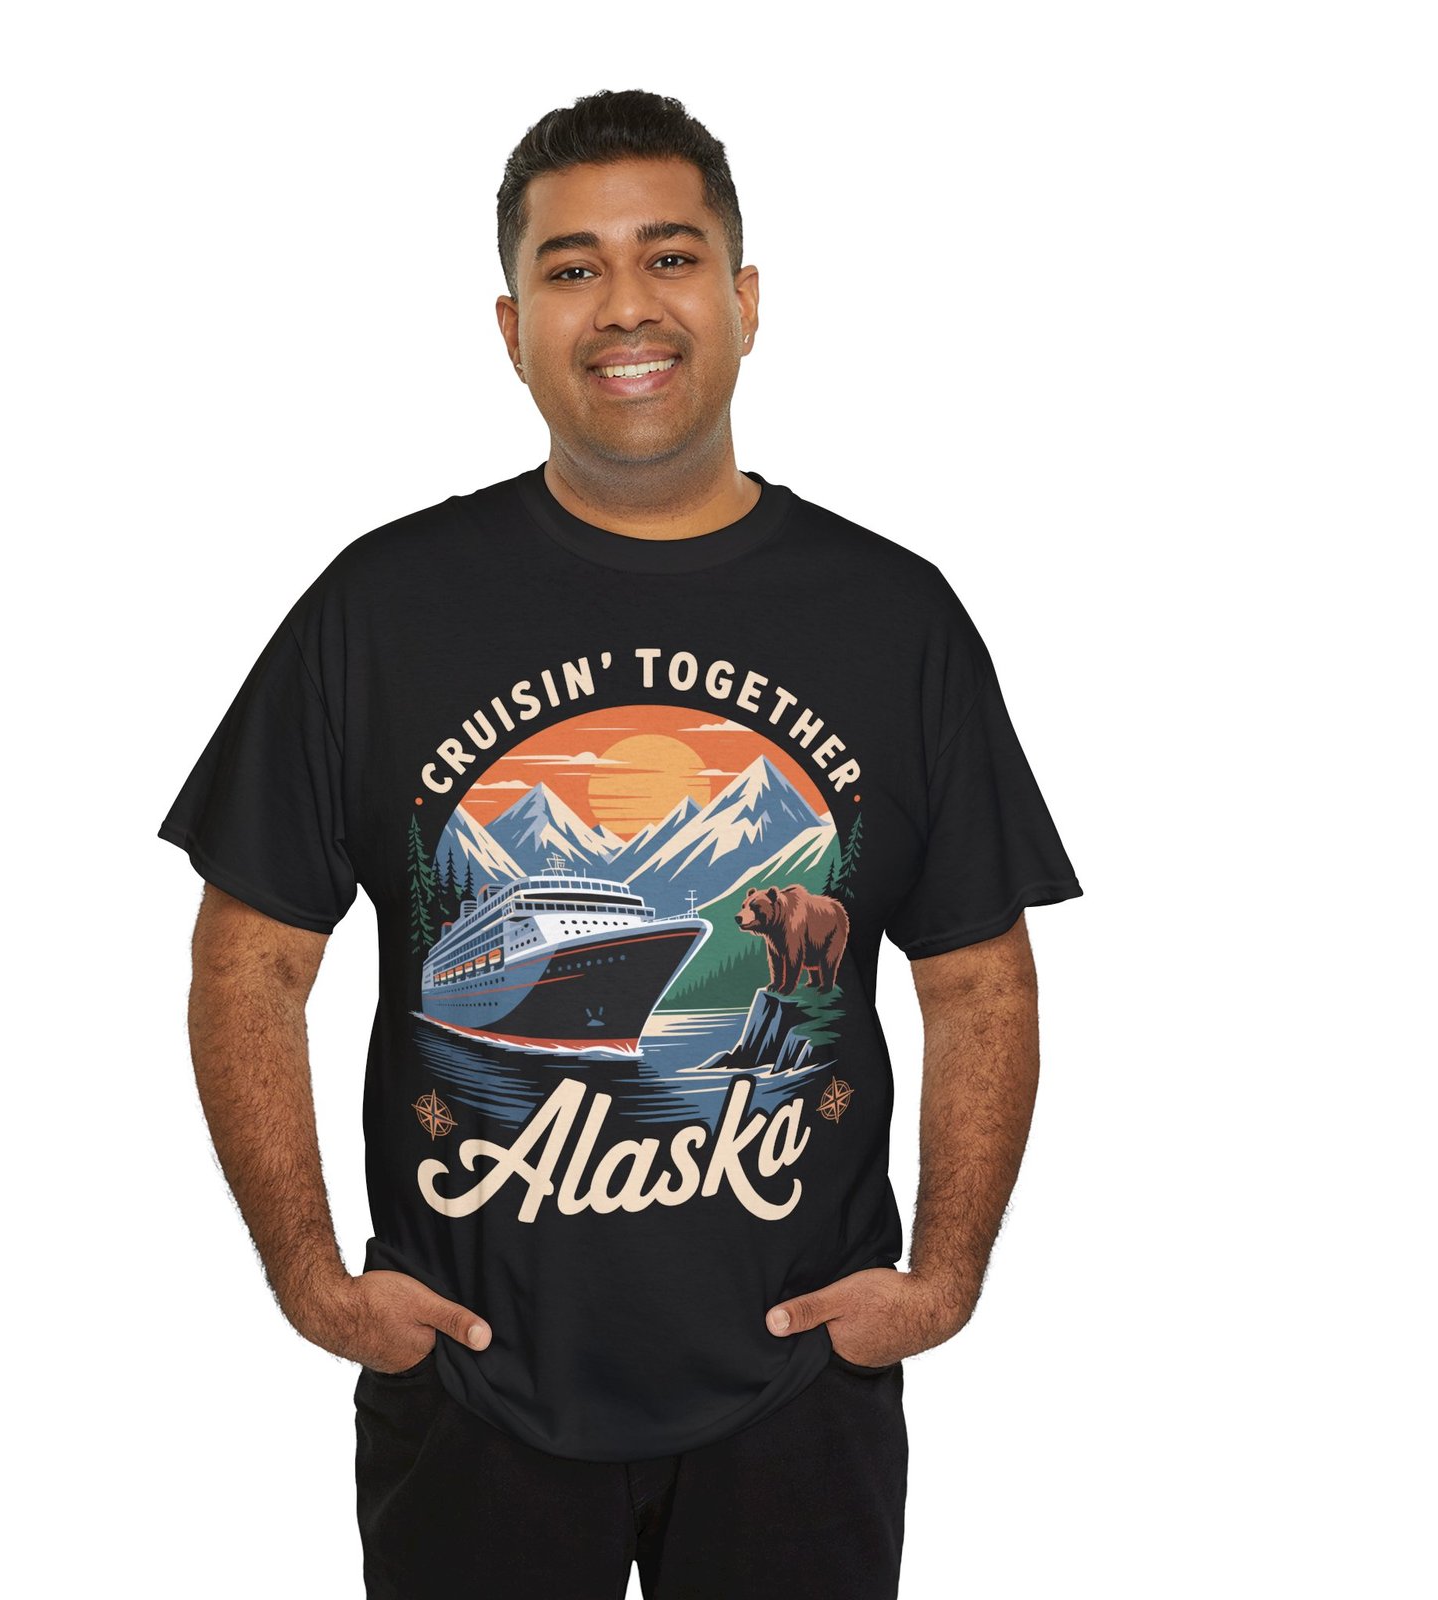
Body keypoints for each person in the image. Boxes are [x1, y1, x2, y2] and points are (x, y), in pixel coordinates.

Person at [159, 87, 1083, 1600]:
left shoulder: (893, 616)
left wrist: (945, 1279)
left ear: (745, 300)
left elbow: (979, 974)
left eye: (669, 256)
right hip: (469, 1388)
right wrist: (314, 1282)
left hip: (802, 1389)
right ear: (512, 326)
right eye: (573, 269)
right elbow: (248, 962)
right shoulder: (382, 608)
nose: (626, 306)